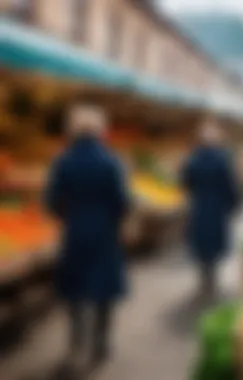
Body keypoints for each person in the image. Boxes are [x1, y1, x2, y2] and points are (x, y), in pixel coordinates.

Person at [44, 99, 130, 374]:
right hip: (105, 233)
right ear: (100, 130)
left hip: (75, 232)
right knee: (104, 291)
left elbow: (52, 200)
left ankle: (75, 346)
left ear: (72, 130)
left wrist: (68, 216)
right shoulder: (112, 162)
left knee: (75, 291)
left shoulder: (63, 161)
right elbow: (122, 202)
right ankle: (101, 344)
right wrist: (114, 219)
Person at [181, 120, 239, 297]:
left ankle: (204, 277)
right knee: (214, 243)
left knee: (201, 243)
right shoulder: (223, 160)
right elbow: (230, 185)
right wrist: (232, 204)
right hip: (217, 207)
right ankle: (212, 278)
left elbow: (186, 183)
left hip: (199, 205)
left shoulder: (192, 160)